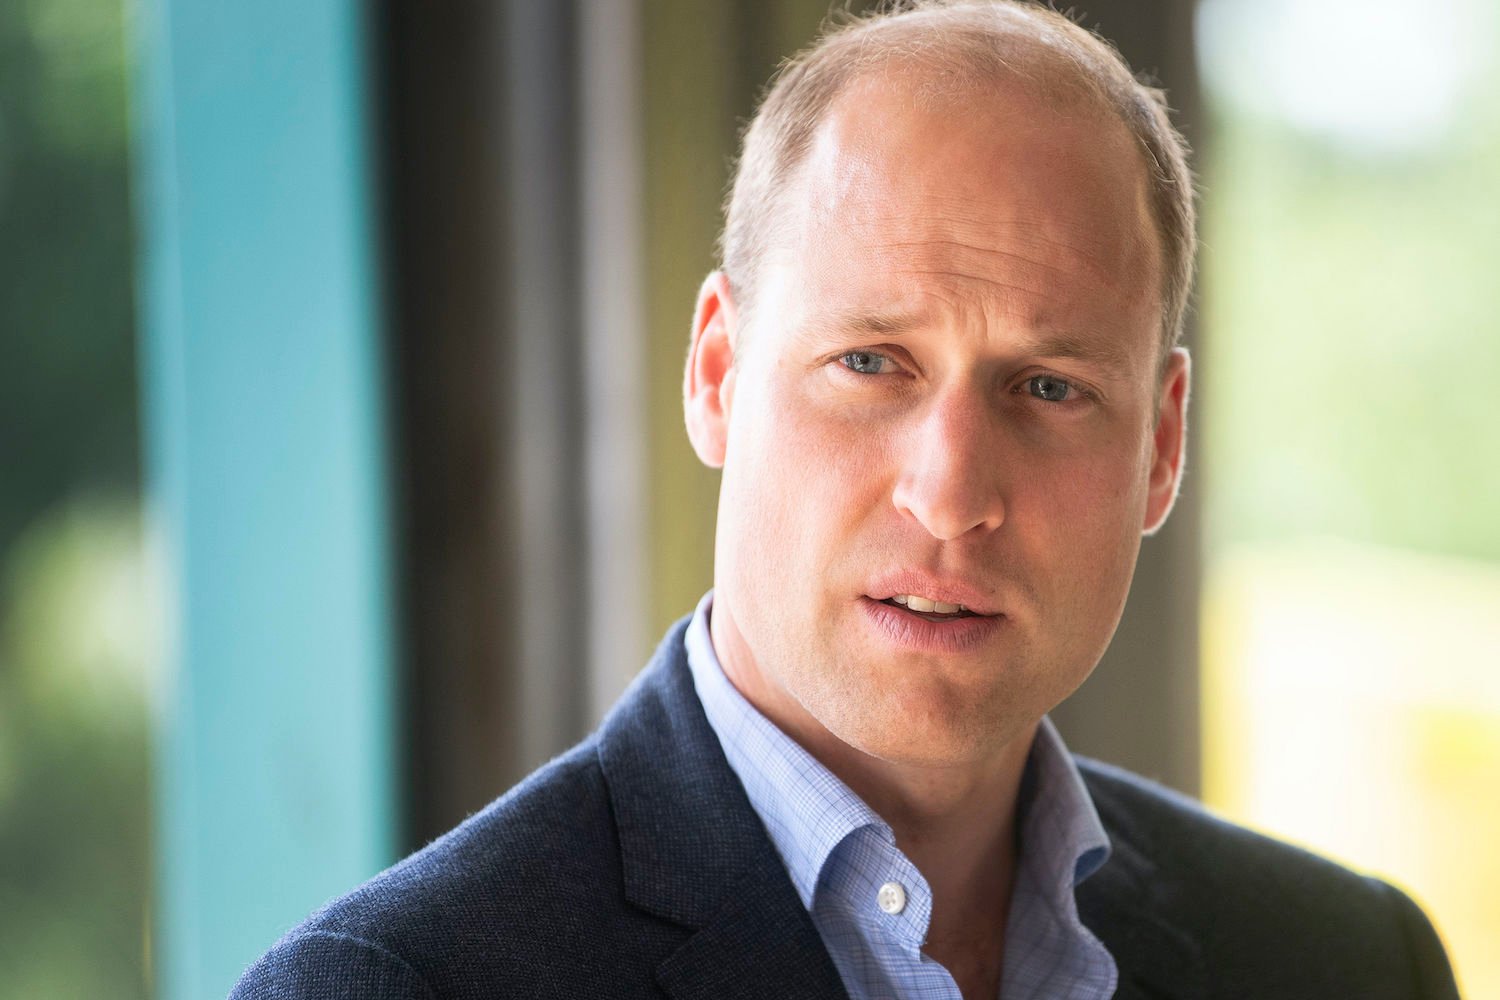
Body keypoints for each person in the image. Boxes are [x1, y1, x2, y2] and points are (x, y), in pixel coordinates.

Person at [232, 2, 1460, 998]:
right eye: (871, 363)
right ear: (716, 374)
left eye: (1048, 385)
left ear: (1162, 447)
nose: (950, 494)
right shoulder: (392, 988)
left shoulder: (1349, 961)